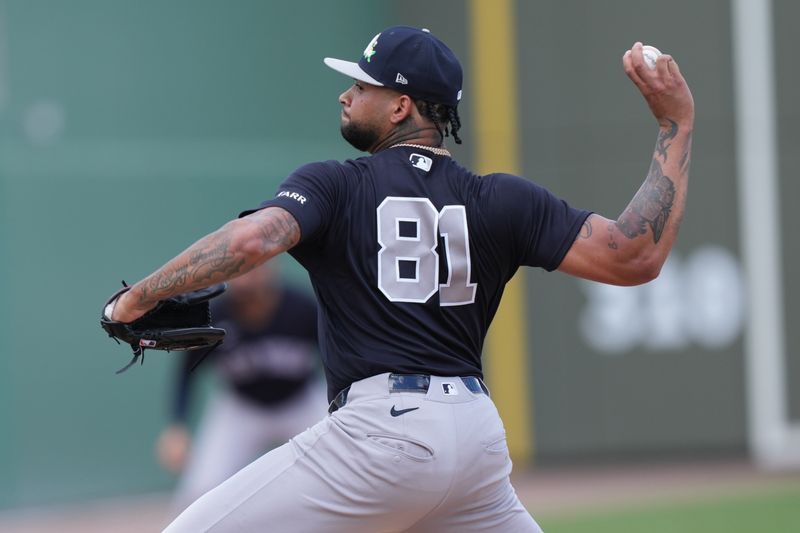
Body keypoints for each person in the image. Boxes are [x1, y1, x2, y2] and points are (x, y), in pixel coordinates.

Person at [104, 26, 693, 533]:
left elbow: (254, 241)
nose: (346, 92)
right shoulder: (501, 198)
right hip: (476, 440)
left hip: (380, 435)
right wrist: (676, 123)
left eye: (362, 85)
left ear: (399, 106)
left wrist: (135, 299)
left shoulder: (337, 183)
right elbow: (633, 256)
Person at [155, 262, 326, 514]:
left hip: (302, 402)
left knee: (348, 469)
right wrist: (176, 425)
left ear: (270, 270)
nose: (245, 278)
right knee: (198, 496)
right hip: (241, 409)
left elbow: (333, 358)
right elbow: (186, 373)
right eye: (237, 272)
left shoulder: (301, 308)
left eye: (253, 270)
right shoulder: (214, 318)